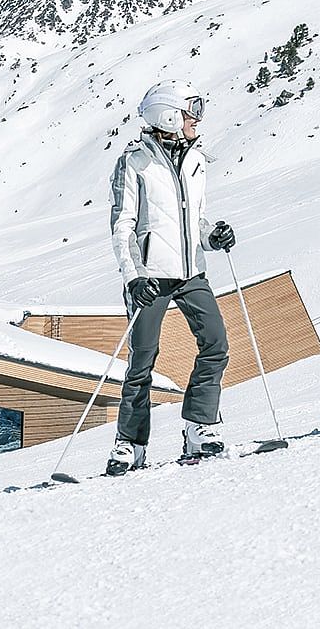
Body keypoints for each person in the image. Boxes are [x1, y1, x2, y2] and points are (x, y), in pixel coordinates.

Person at [106, 80, 235, 475]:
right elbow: (122, 225)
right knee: (141, 361)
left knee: (215, 343)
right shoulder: (135, 162)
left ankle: (199, 427)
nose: (197, 117)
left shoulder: (197, 161)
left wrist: (212, 235)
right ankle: (130, 445)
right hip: (149, 277)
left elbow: (193, 221)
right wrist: (133, 276)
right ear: (168, 116)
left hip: (190, 271)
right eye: (189, 110)